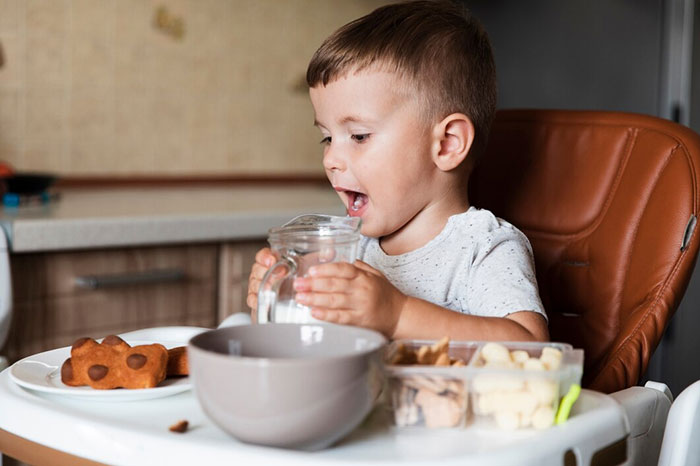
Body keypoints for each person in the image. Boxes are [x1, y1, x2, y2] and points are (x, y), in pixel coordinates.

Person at [247, 0, 549, 342]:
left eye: (359, 136)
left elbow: (533, 348)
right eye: (327, 138)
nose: (331, 158)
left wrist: (399, 314)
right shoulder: (353, 246)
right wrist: (277, 299)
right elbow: (315, 339)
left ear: (447, 144)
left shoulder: (483, 247)